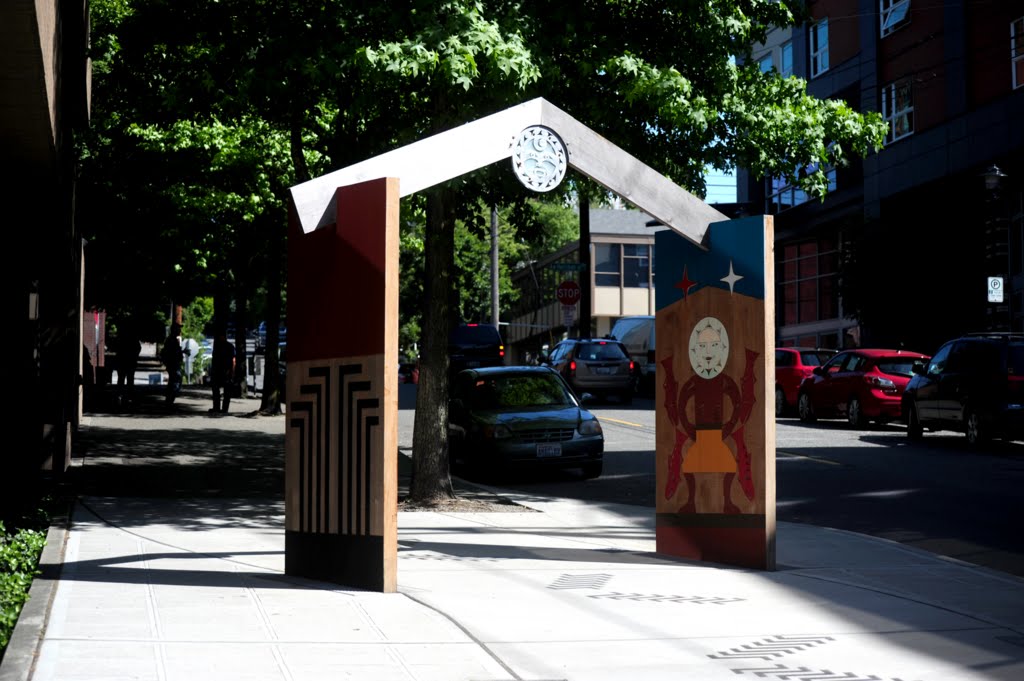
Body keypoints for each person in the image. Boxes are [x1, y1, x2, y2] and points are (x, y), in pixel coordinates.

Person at [114, 322, 142, 405]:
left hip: (122, 361)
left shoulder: (121, 337)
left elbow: (116, 347)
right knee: (130, 379)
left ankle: (120, 396)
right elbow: (138, 348)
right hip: (130, 361)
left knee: (121, 379)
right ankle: (129, 396)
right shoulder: (133, 338)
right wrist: (134, 356)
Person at [210, 329, 236, 414]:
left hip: (224, 371)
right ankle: (222, 408)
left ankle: (219, 408)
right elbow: (233, 360)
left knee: (221, 391)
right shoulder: (228, 346)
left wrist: (232, 371)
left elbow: (233, 360)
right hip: (222, 371)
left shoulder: (220, 346)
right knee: (223, 391)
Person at [160, 323, 185, 404]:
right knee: (176, 381)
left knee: (173, 381)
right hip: (173, 364)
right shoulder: (171, 340)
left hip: (173, 364)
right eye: (179, 329)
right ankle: (170, 399)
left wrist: (182, 352)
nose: (180, 331)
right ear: (174, 330)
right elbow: (173, 353)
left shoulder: (172, 339)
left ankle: (170, 400)